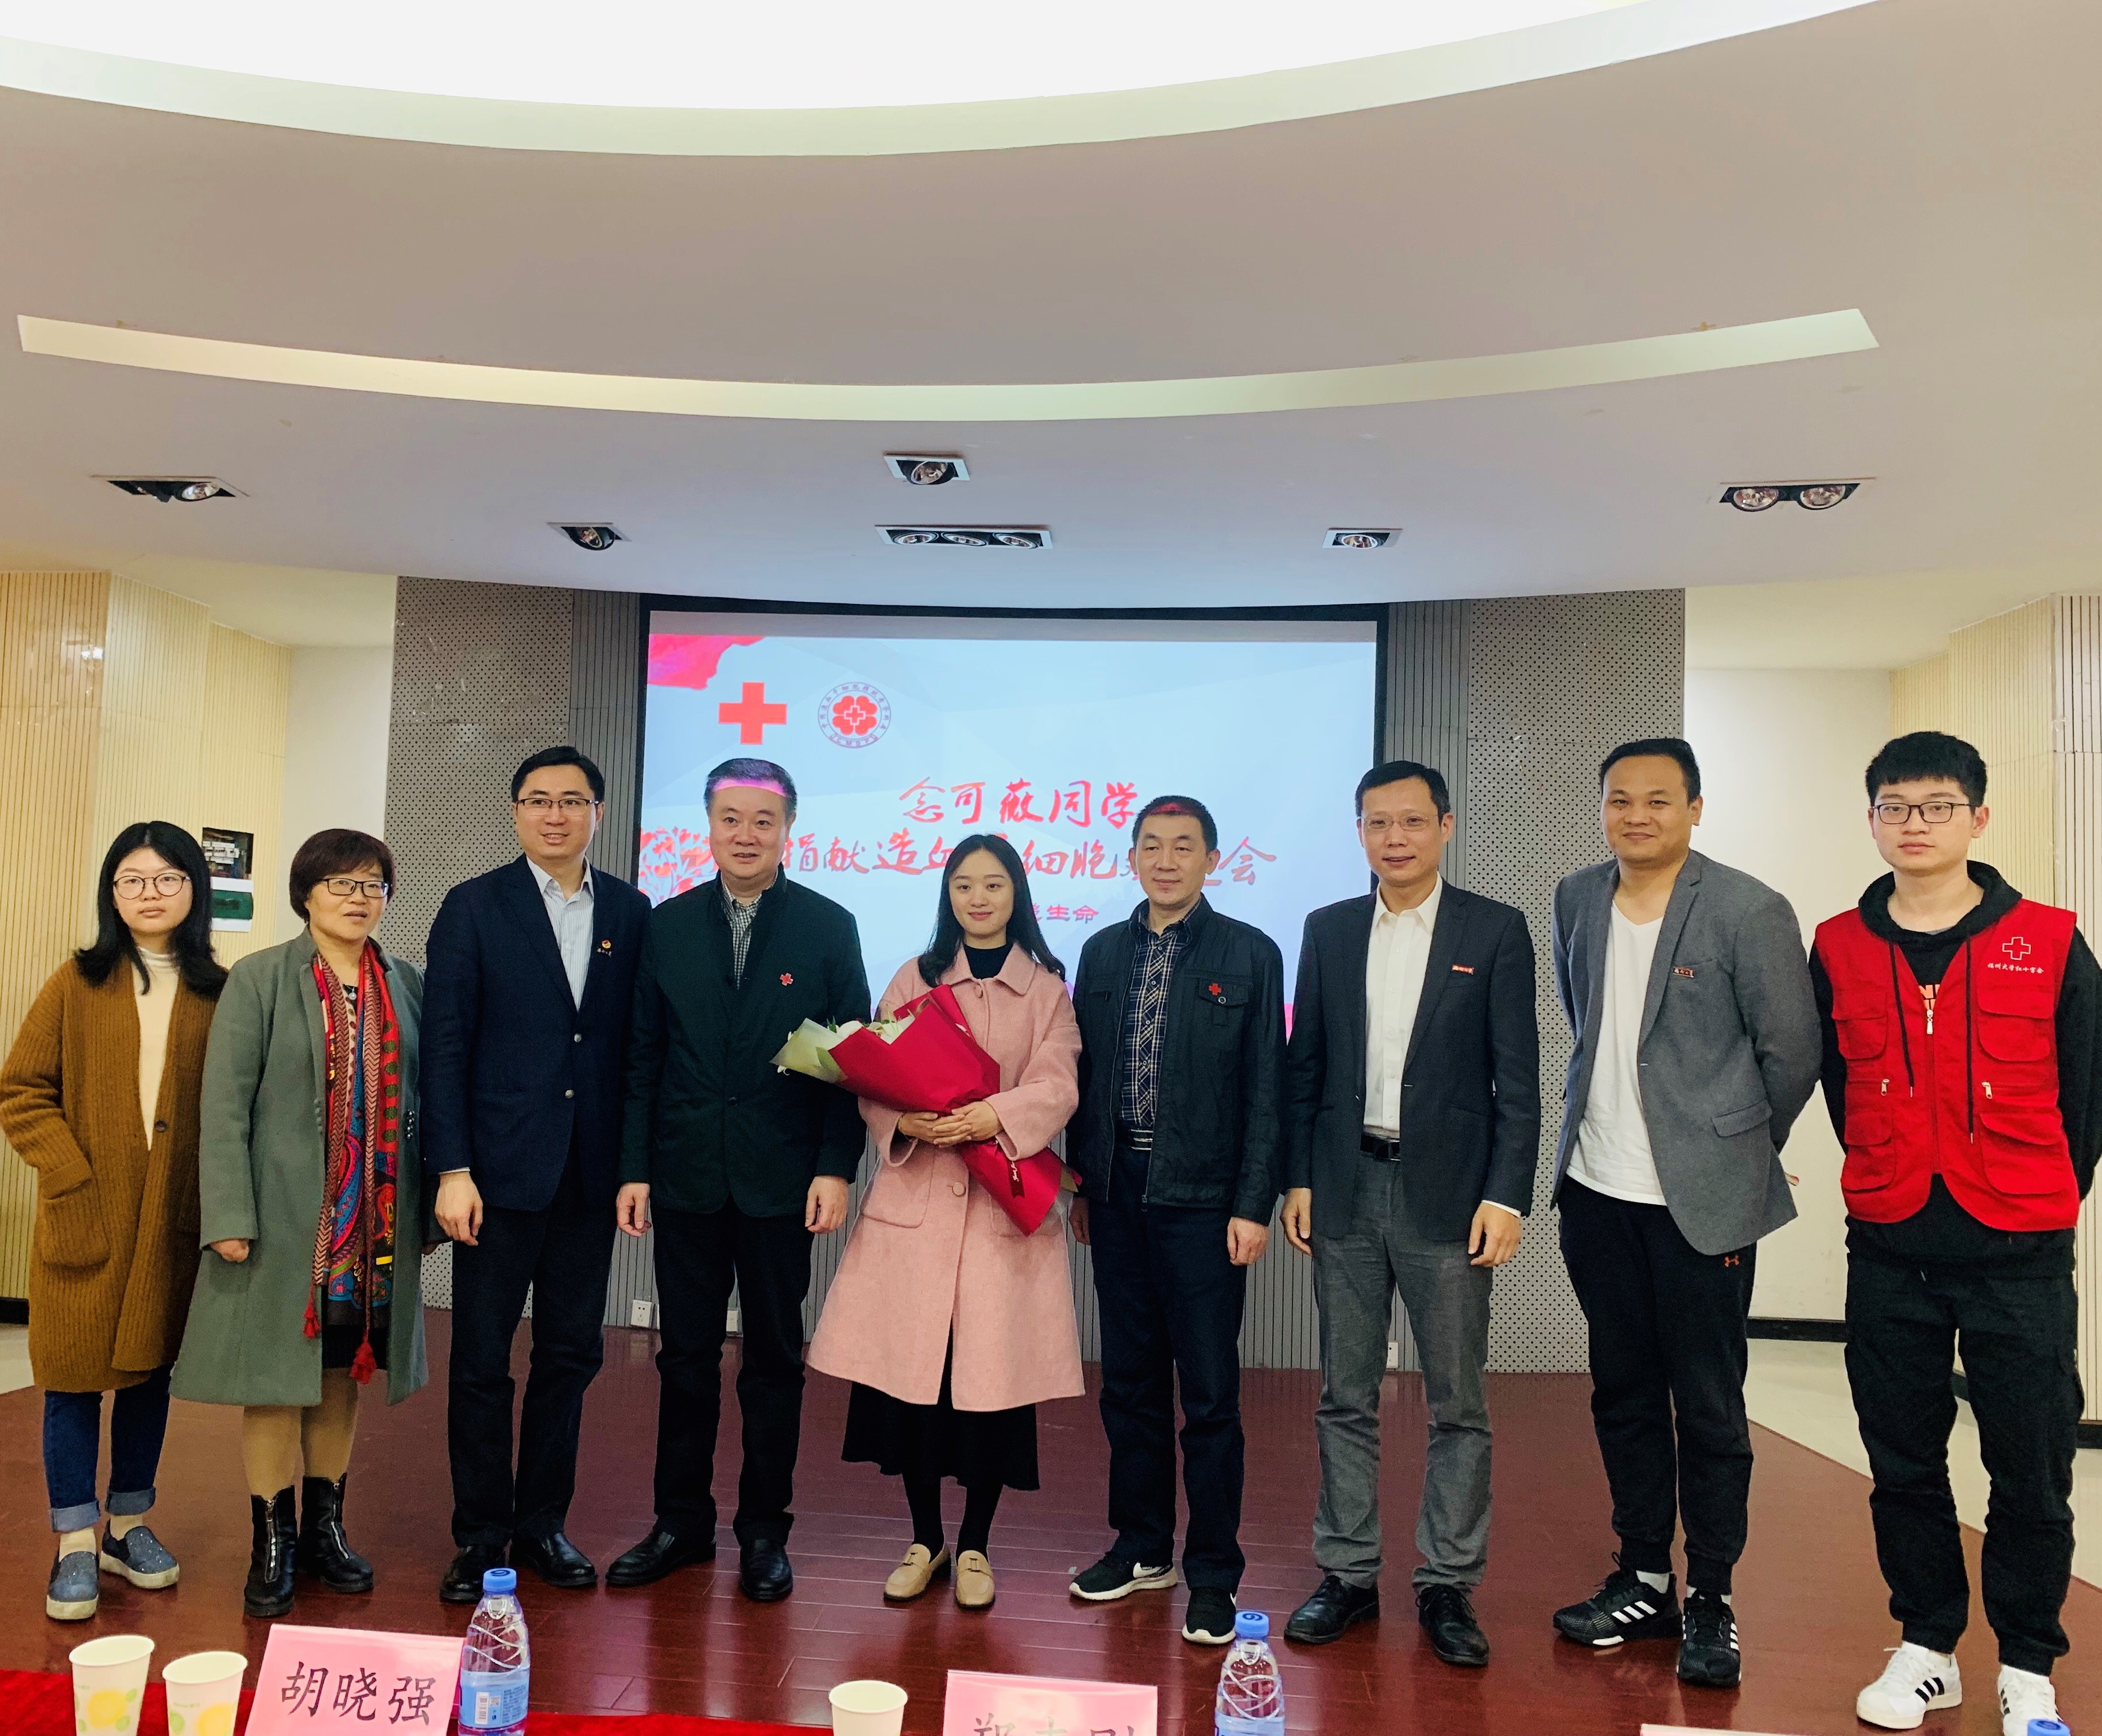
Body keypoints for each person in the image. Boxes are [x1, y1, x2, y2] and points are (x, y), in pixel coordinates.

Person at [1814, 733, 2092, 1736]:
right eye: (1894, 806)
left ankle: (2027, 1666)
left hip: (2019, 1252)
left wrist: (2036, 1196)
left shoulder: (2050, 939)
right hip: (1890, 1244)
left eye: (1936, 806)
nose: (1914, 824)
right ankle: (1927, 1647)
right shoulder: (1837, 946)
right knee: (1901, 1462)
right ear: (1871, 820)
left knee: (2031, 1468)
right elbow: (1839, 1088)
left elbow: (2086, 1093)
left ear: (1976, 817)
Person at [1547, 738, 1819, 1690]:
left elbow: (1792, 1053)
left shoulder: (1747, 908)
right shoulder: (1576, 897)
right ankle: (1642, 1576)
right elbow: (1584, 1019)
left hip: (1702, 1205)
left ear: (1694, 809)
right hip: (1596, 1192)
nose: (1636, 816)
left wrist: (1731, 1149)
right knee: (1621, 1392)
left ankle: (1711, 1594)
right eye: (1618, 799)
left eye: (1658, 800)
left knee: (1707, 1404)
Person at [1279, 762, 1540, 1665]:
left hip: (1451, 1198)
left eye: (1411, 822)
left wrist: (1505, 1195)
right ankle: (1347, 1574)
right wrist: (1300, 1178)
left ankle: (1446, 1583)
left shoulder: (1492, 930)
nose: (1394, 838)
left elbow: (1517, 1082)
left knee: (1457, 1403)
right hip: (1346, 1187)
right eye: (1376, 823)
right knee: (1343, 1395)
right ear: (1357, 832)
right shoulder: (1328, 928)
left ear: (1445, 827)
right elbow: (1305, 1067)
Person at [610, 757, 871, 1602]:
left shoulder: (828, 925)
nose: (746, 835)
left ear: (789, 829)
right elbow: (643, 1055)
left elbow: (852, 1059)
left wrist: (834, 1166)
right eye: (731, 819)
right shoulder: (667, 924)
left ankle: (764, 1531)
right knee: (683, 1358)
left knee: (773, 1363)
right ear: (709, 826)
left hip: (781, 1179)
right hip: (685, 1172)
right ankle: (680, 1523)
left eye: (763, 820)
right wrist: (635, 1169)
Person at [808, 835, 1083, 1610]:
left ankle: (976, 1546)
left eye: (993, 884)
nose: (978, 899)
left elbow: (1059, 1083)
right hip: (919, 1213)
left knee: (992, 1391)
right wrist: (907, 1122)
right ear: (948, 895)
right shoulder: (916, 978)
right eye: (964, 885)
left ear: (1017, 893)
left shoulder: (1048, 990)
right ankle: (925, 1539)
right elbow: (871, 1075)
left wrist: (992, 1117)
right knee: (914, 1393)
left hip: (1000, 1212)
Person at [172, 830, 429, 1619]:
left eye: (373, 884)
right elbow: (223, 1106)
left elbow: (429, 1097)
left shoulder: (404, 982)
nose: (358, 898)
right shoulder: (260, 978)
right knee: (274, 1382)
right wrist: (228, 1214)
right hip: (283, 1220)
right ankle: (271, 1540)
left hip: (372, 1225)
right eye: (341, 883)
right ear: (306, 895)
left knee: (341, 1375)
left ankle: (326, 1530)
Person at [422, 747, 652, 1603]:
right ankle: (482, 1534)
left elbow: (634, 1050)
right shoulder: (473, 905)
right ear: (516, 811)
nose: (555, 814)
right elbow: (445, 1046)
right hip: (494, 1175)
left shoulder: (629, 910)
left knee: (569, 1356)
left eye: (572, 801)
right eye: (538, 800)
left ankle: (544, 1524)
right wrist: (452, 1168)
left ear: (598, 812)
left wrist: (633, 1168)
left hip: (588, 1177)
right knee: (482, 1360)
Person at [1065, 794, 1286, 1647]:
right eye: (1151, 846)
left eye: (1183, 846)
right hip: (1117, 1194)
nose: (1166, 860)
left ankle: (1214, 1573)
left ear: (1212, 860)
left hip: (1203, 1202)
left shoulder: (1249, 953)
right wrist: (1083, 1187)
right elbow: (1084, 1082)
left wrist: (1252, 1204)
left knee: (1210, 1397)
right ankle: (1141, 1546)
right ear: (1130, 858)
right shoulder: (1100, 952)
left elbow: (1265, 1090)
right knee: (1127, 1386)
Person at [0, 823, 226, 1622]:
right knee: (71, 1379)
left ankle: (128, 1526)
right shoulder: (77, 981)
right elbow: (21, 1089)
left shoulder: (218, 990)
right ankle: (73, 1539)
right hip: (86, 1215)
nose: (150, 893)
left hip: (170, 1219)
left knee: (148, 1375)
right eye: (133, 879)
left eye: (167, 878)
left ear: (195, 889)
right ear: (112, 893)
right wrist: (71, 1175)